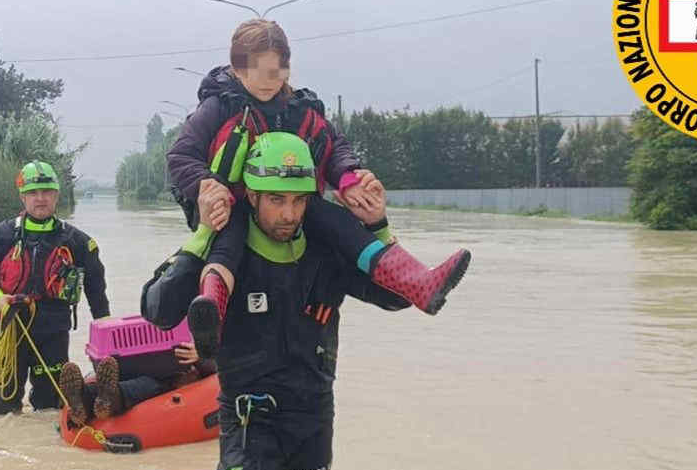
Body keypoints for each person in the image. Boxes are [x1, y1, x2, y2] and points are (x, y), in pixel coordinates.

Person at [142, 133, 432, 470]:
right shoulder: (225, 254)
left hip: (312, 416)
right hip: (248, 417)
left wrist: (378, 225)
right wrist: (201, 235)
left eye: (299, 201)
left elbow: (398, 297)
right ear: (251, 196)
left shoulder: (326, 252)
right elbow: (157, 308)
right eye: (276, 200)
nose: (289, 214)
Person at [166, 19, 471, 359]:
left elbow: (335, 146)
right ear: (237, 68)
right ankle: (212, 312)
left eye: (278, 70)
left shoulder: (300, 107)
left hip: (295, 202)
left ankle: (419, 282)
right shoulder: (218, 106)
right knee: (229, 241)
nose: (270, 81)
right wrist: (206, 186)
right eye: (258, 71)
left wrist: (350, 179)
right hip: (232, 206)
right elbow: (181, 156)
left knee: (340, 223)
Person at [0, 160, 109, 416]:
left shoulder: (79, 242)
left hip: (53, 333)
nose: (40, 198)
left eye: (46, 192)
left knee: (49, 408)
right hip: (8, 327)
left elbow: (97, 292)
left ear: (56, 195)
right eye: (33, 193)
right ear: (23, 197)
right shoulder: (1, 236)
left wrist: (107, 336)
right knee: (2, 407)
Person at [57, 341, 215, 425]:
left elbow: (222, 369)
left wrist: (202, 355)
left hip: (176, 377)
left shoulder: (223, 327)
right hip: (155, 364)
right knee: (142, 378)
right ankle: (83, 398)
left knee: (151, 384)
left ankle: (99, 399)